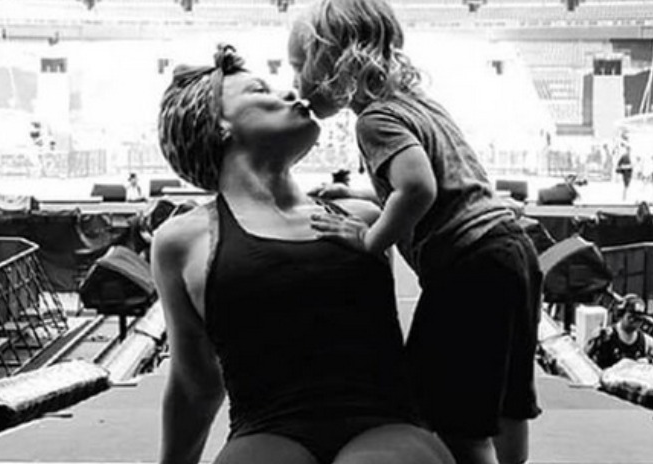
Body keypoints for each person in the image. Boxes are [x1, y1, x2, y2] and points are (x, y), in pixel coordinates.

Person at [154, 45, 454, 464]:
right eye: (260, 91)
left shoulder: (364, 217)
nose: (292, 94)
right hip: (266, 430)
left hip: (386, 423)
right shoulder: (182, 241)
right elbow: (195, 383)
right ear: (218, 124)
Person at [289, 0, 542, 464]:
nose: (295, 80)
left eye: (298, 64)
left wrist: (369, 239)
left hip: (468, 264)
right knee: (507, 397)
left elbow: (419, 188)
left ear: (332, 61)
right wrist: (360, 193)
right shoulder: (416, 103)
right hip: (511, 250)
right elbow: (442, 182)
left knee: (454, 416)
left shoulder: (374, 121)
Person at [585, 295, 653, 370]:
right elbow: (584, 358)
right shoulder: (604, 335)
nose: (634, 322)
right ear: (622, 314)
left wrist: (649, 361)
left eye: (639, 319)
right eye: (631, 317)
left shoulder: (646, 341)